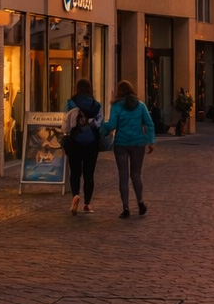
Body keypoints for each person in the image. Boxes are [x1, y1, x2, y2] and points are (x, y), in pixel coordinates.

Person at [104, 81, 154, 219]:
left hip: (121, 143)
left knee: (123, 176)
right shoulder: (141, 105)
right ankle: (140, 202)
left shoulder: (116, 106)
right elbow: (149, 123)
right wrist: (151, 141)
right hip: (138, 143)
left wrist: (102, 128)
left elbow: (112, 124)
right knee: (136, 174)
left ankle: (125, 207)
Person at [62, 79, 103, 215]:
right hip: (91, 142)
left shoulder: (70, 103)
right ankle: (87, 204)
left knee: (75, 171)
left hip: (74, 141)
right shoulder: (96, 105)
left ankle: (75, 195)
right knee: (89, 173)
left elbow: (66, 123)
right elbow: (99, 124)